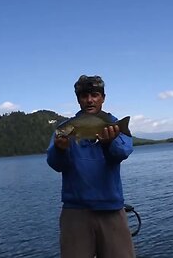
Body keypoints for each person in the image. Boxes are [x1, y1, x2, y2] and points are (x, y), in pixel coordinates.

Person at [46, 75, 135, 258]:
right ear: (78, 99)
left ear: (103, 97)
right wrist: (60, 150)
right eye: (84, 96)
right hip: (75, 212)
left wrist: (108, 143)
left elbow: (123, 152)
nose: (89, 100)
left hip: (111, 210)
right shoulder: (66, 128)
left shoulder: (114, 125)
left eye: (95, 95)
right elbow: (55, 164)